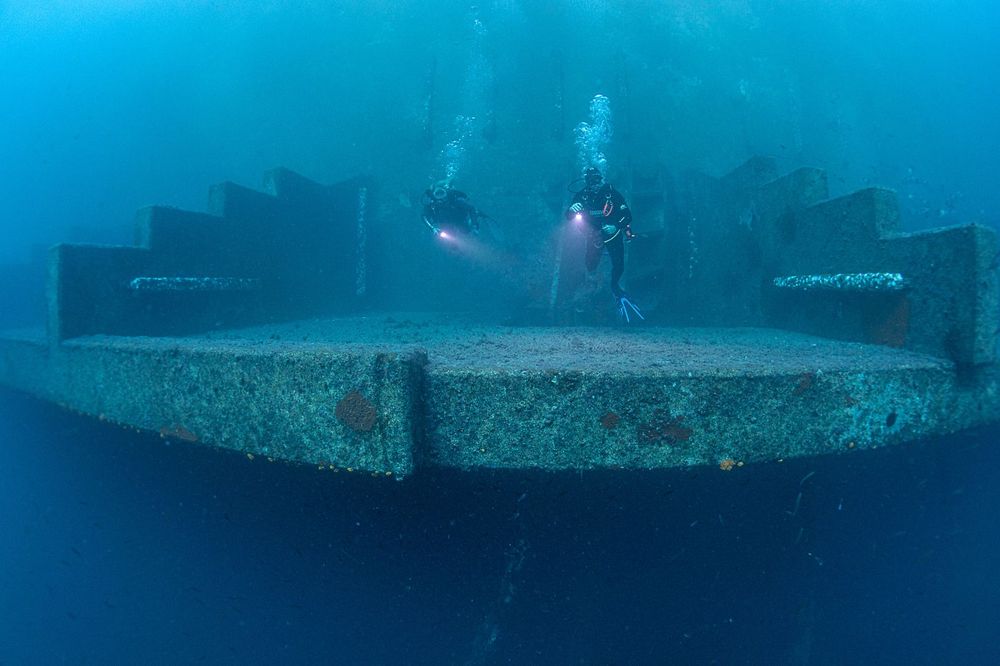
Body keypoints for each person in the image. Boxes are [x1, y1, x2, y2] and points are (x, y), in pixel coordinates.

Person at [565, 166, 643, 321]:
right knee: (590, 265)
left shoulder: (612, 194)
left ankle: (616, 289)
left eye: (597, 179)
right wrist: (571, 210)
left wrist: (616, 225)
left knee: (618, 265)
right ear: (586, 182)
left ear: (602, 178)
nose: (595, 183)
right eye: (591, 180)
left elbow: (627, 215)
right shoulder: (582, 196)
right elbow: (568, 216)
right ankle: (591, 285)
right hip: (594, 237)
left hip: (612, 235)